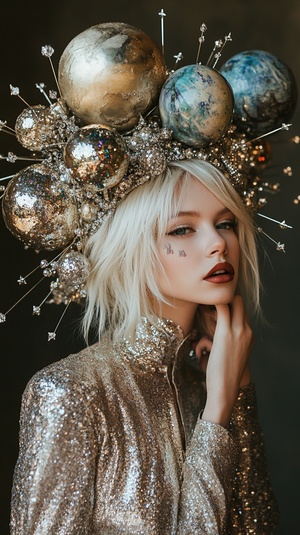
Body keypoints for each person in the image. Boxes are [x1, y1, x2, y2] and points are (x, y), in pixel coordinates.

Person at [10, 158, 278, 534]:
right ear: (131, 248)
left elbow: (258, 525)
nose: (218, 242)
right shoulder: (70, 393)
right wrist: (216, 415)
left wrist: (238, 390)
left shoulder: (211, 376)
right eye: (183, 229)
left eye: (225, 223)